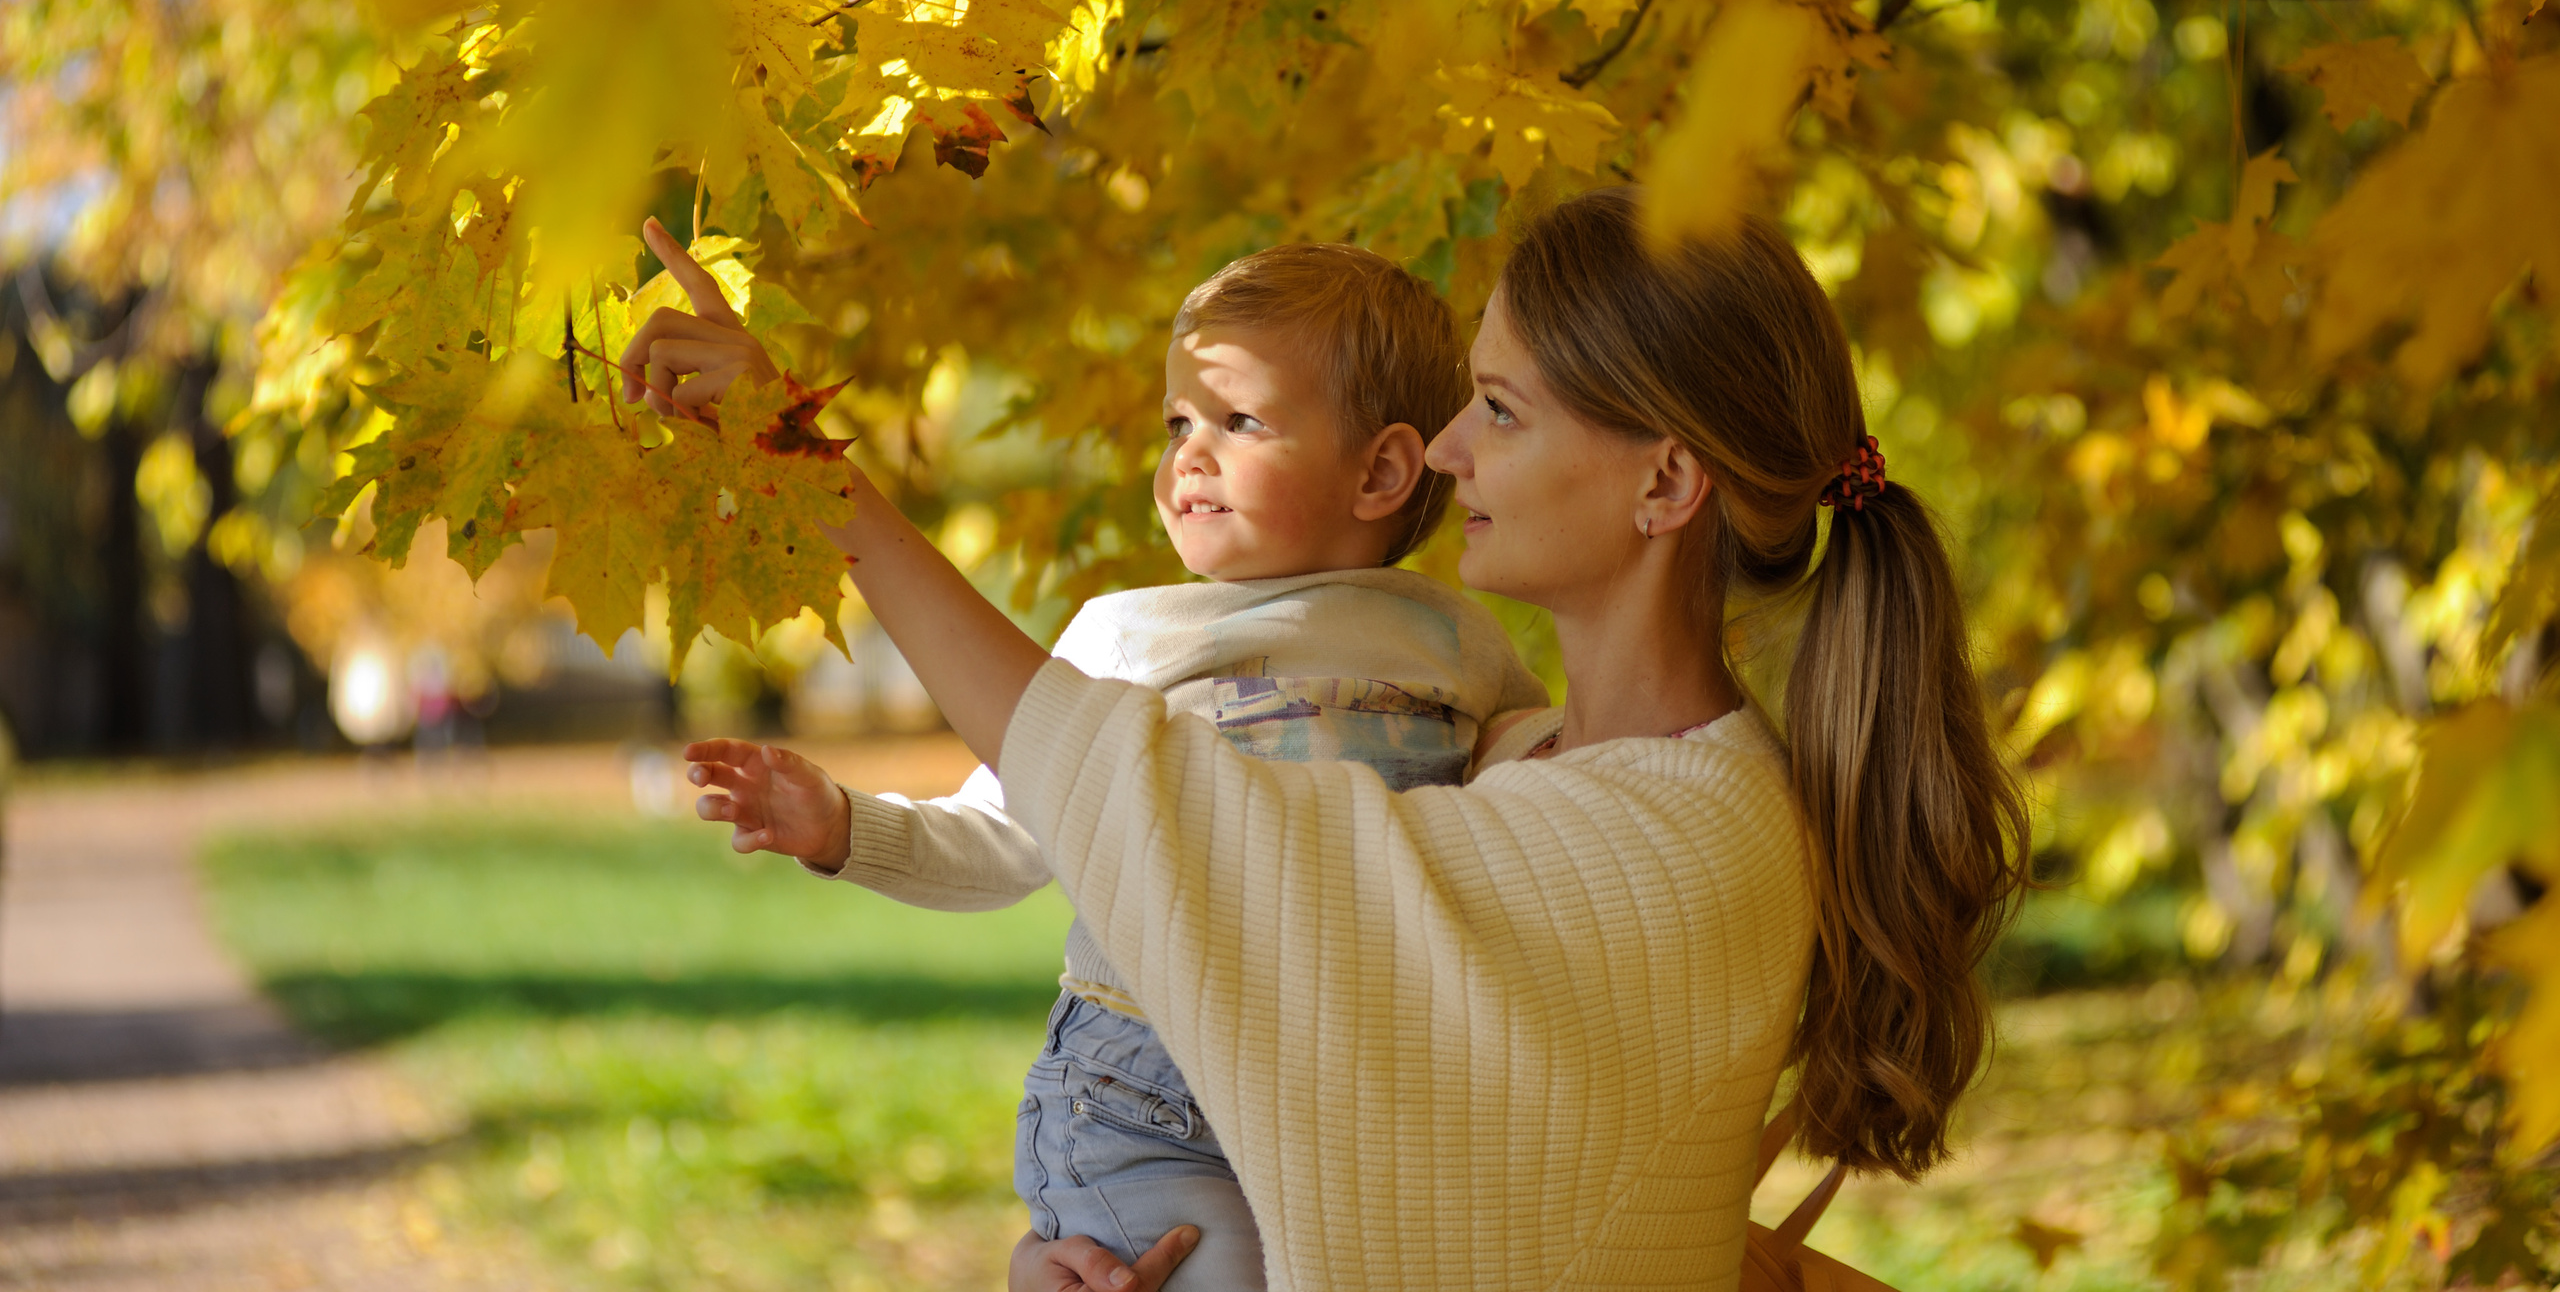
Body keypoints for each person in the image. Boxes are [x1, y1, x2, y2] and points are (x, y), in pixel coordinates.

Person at [643, 191, 2029, 1292]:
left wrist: (809, 469)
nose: (1443, 455)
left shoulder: (1675, 842)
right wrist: (1086, 1237)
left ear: (1664, 481)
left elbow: (1175, 819)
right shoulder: (1518, 755)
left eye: (1501, 409)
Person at [631, 228, 1545, 1288]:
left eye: (1239, 420)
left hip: (1346, 1089)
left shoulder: (1455, 643)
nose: (1187, 455)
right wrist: (846, 826)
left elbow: (1534, 810)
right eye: (1177, 422)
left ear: (1382, 468)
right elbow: (1004, 838)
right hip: (1146, 1098)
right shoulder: (1129, 638)